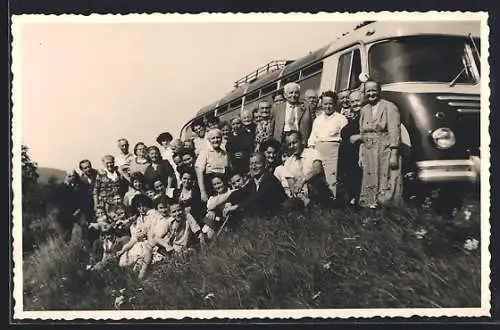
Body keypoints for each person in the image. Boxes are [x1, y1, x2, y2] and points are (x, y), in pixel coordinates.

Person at [358, 80, 403, 208]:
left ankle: (387, 208)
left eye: (374, 90)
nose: (371, 93)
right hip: (368, 150)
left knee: (386, 177)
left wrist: (394, 153)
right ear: (365, 93)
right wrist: (361, 155)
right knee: (370, 178)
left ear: (379, 91)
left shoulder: (389, 106)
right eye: (368, 91)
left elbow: (394, 130)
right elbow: (362, 133)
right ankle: (371, 207)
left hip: (384, 149)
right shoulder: (364, 109)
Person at [307, 90, 348, 199]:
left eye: (330, 103)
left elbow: (345, 137)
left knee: (332, 178)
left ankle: (333, 201)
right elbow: (312, 136)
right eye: (325, 104)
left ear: (335, 104)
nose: (328, 106)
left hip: (333, 152)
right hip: (318, 151)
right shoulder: (318, 120)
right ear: (322, 104)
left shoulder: (341, 119)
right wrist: (311, 149)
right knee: (319, 177)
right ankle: (320, 200)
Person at [116, 194, 164, 279]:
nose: (141, 209)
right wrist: (123, 250)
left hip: (153, 241)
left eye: (143, 206)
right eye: (138, 207)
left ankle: (140, 278)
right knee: (126, 255)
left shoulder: (153, 214)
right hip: (140, 243)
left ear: (147, 204)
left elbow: (156, 231)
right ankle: (130, 280)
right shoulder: (139, 218)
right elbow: (134, 239)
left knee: (142, 254)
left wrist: (145, 233)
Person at [283, 131, 332, 205]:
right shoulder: (288, 163)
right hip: (301, 197)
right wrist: (303, 198)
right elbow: (292, 186)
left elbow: (317, 169)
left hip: (319, 193)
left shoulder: (313, 153)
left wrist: (303, 180)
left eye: (295, 142)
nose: (292, 146)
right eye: (289, 144)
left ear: (302, 141)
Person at [338, 89, 364, 205]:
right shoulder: (354, 117)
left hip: (360, 156)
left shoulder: (368, 115)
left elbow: (378, 132)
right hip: (349, 160)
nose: (355, 104)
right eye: (352, 102)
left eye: (357, 101)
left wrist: (360, 136)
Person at [195, 128, 230, 202]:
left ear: (221, 139)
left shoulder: (225, 153)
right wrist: (203, 191)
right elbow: (199, 172)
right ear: (209, 140)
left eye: (218, 137)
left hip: (223, 185)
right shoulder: (205, 152)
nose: (216, 140)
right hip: (209, 185)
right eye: (213, 138)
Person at [53, 170, 86, 242]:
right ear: (67, 176)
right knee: (64, 236)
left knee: (69, 236)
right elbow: (59, 203)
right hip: (64, 216)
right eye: (70, 176)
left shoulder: (74, 187)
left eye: (74, 176)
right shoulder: (61, 188)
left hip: (72, 216)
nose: (72, 178)